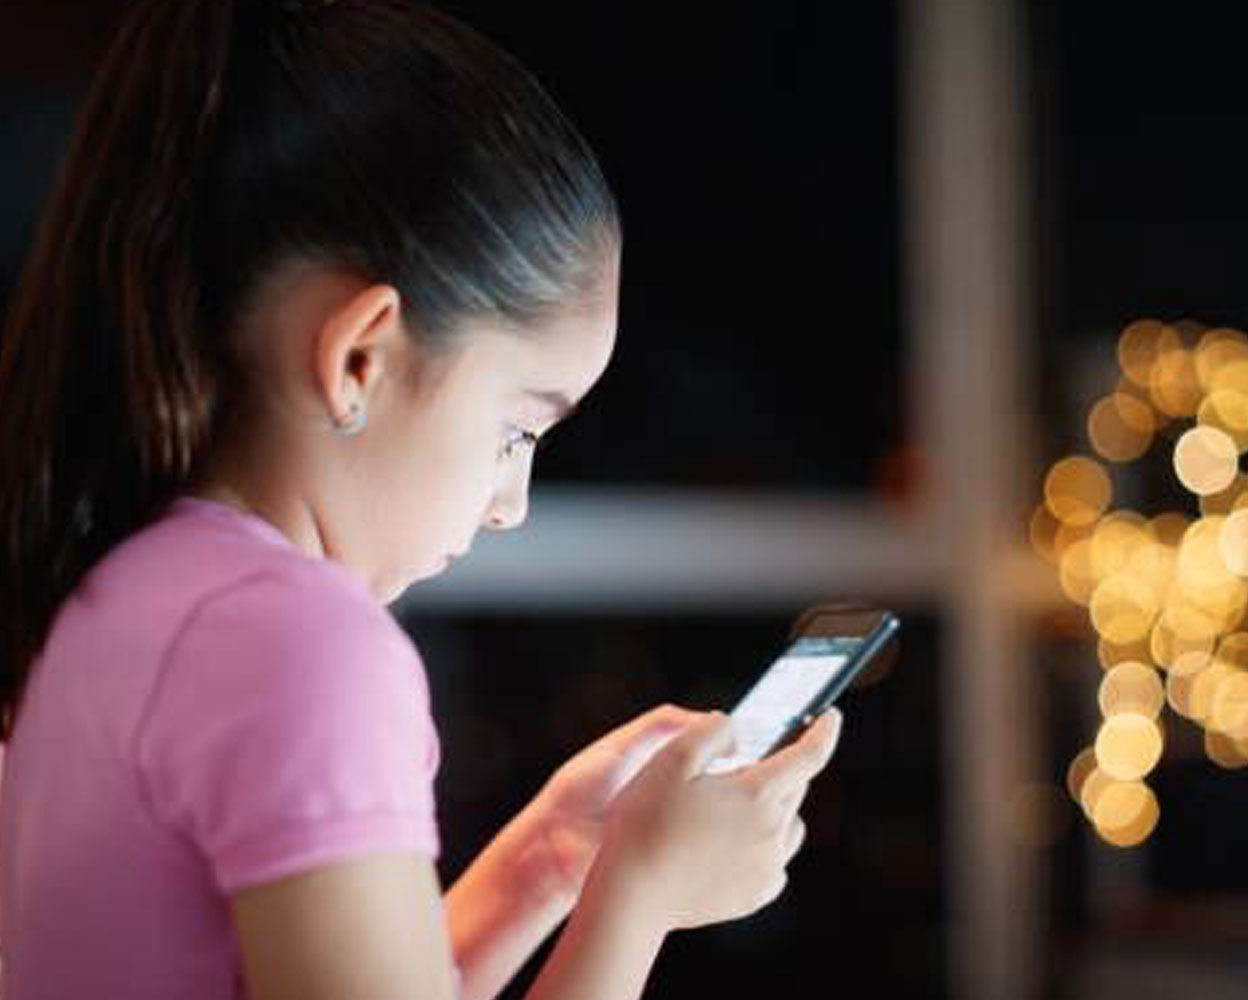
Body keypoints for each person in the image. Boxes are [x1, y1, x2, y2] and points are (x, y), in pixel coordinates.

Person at [0, 1, 843, 997]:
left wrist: (544, 862)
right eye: (516, 430)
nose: (509, 503)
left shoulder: (114, 592)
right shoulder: (301, 642)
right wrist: (643, 892)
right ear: (361, 356)